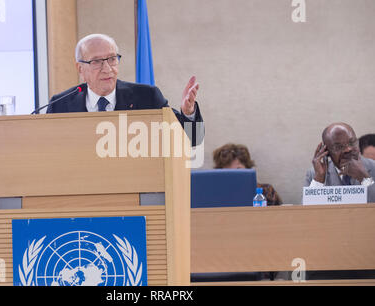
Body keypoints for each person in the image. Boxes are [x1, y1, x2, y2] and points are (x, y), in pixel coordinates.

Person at [46, 33, 204, 146]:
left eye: (112, 59)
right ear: (80, 68)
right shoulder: (60, 105)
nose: (107, 68)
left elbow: (192, 139)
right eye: (96, 62)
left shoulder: (146, 97)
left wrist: (188, 113)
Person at [305, 122, 375, 203]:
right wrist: (319, 180)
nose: (348, 149)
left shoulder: (373, 166)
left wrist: (364, 179)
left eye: (352, 143)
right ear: (326, 152)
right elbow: (306, 213)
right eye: (338, 147)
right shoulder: (315, 174)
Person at [213, 143, 283, 206]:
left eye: (238, 170)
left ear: (247, 168)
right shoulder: (214, 194)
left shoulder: (266, 191)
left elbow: (280, 216)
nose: (234, 176)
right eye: (228, 172)